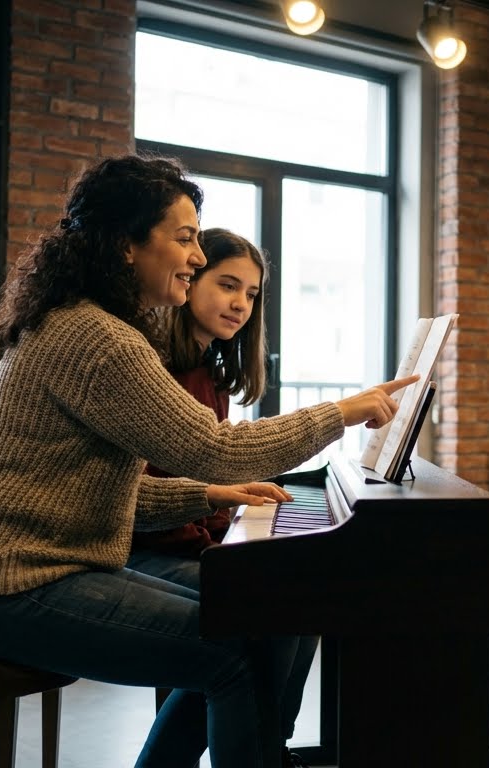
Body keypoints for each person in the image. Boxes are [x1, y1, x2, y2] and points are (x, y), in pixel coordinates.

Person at [0, 153, 417, 768]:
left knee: (253, 625)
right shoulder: (99, 338)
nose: (199, 257)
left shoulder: (87, 325)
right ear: (127, 245)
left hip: (30, 573)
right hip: (1, 587)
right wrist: (341, 411)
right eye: (184, 239)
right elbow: (216, 450)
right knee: (235, 647)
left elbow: (83, 488)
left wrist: (205, 497)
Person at [127, 227, 317, 766]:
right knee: (267, 612)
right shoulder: (159, 366)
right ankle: (263, 748)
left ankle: (268, 743)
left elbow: (205, 477)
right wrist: (218, 538)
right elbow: (150, 493)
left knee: (302, 603)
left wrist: (230, 519)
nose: (240, 303)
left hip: (179, 543)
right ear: (191, 282)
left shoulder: (209, 370)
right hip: (144, 550)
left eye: (252, 294)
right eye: (227, 285)